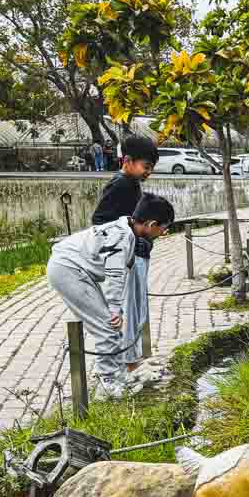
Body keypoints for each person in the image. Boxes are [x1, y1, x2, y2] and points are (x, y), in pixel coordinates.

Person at [47, 195, 174, 399]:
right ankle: (107, 384)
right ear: (151, 224)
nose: (164, 232)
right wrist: (115, 308)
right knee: (107, 324)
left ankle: (117, 376)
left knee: (109, 325)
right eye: (164, 227)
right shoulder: (122, 238)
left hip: (76, 270)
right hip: (68, 269)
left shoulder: (126, 229)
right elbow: (114, 275)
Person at [91, 136, 160, 378]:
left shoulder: (132, 183)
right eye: (146, 167)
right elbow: (99, 221)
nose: (148, 173)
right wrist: (129, 237)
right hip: (126, 258)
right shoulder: (120, 184)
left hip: (136, 253)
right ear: (128, 161)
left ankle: (134, 360)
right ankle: (129, 364)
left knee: (138, 308)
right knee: (130, 310)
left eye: (151, 168)